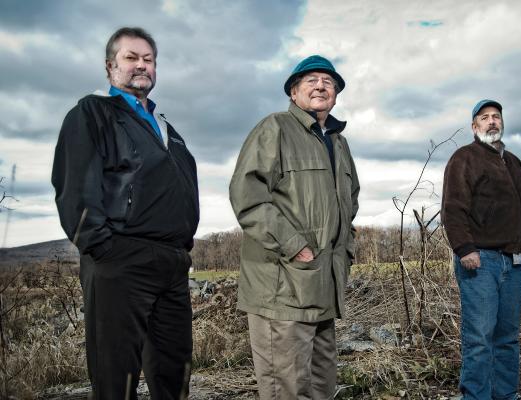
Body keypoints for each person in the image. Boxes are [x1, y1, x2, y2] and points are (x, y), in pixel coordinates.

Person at [52, 27, 199, 399]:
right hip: (119, 259)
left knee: (175, 371)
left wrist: (183, 245)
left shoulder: (168, 129)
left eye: (148, 60)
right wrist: (101, 247)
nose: (142, 66)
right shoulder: (94, 112)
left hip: (171, 263)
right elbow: (74, 185)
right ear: (110, 66)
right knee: (118, 376)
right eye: (131, 57)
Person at [229, 54, 359, 399]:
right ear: (293, 92)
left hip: (324, 288)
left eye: (328, 82)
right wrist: (294, 246)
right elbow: (248, 196)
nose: (321, 86)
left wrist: (345, 252)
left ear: (336, 94)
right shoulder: (275, 128)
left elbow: (351, 204)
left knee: (321, 388)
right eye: (311, 80)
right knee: (286, 390)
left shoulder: (338, 143)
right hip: (283, 289)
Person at [442, 100, 521, 400]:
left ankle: (506, 396)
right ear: (474, 126)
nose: (492, 122)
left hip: (515, 261)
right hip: (481, 261)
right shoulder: (464, 158)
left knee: (507, 338)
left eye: (496, 117)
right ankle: (476, 397)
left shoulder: (515, 163)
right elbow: (453, 207)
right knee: (480, 338)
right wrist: (465, 248)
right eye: (484, 118)